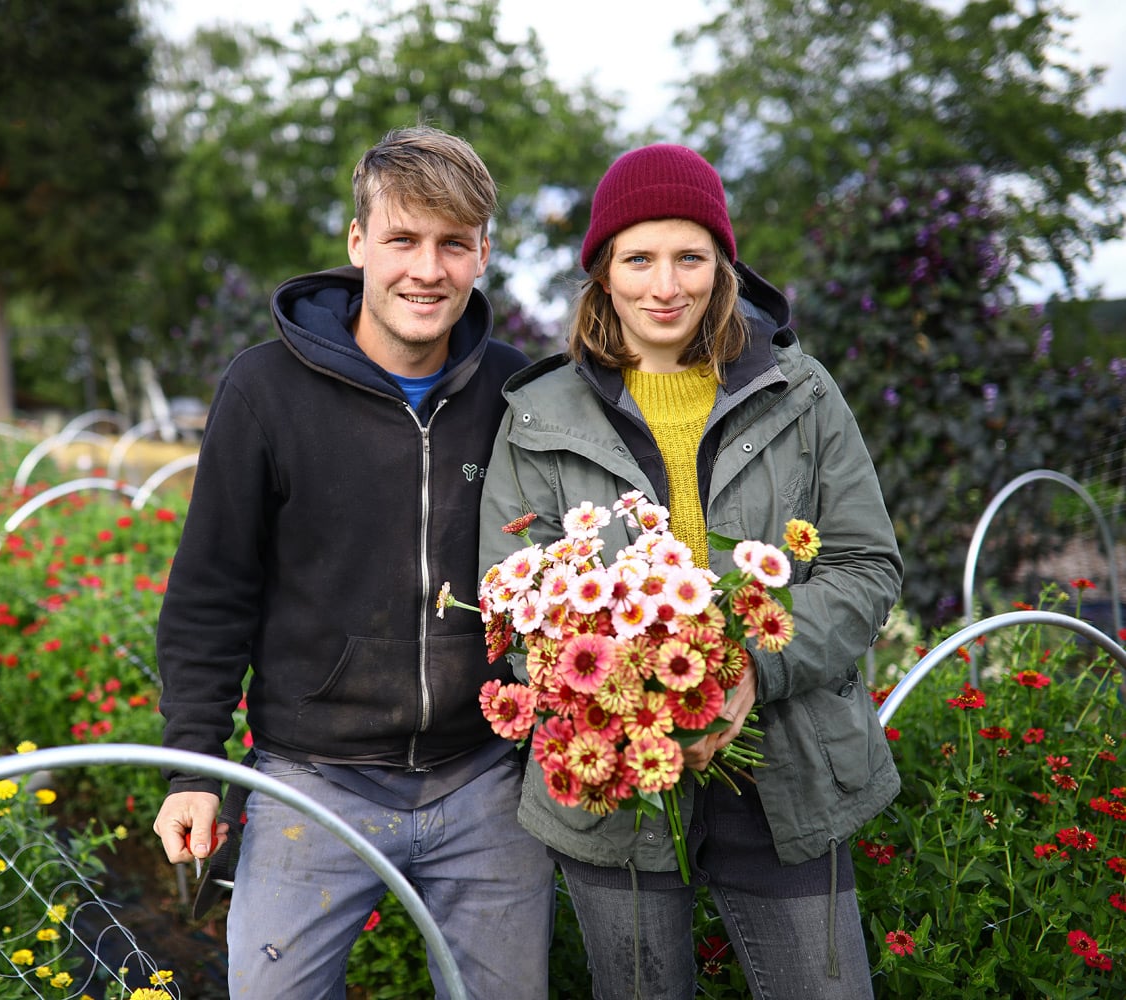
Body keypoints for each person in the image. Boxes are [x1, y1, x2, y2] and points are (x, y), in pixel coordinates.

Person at [478, 144, 903, 999]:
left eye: (690, 257)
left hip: (786, 768)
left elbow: (864, 564)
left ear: (723, 266)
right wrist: (627, 697)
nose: (664, 285)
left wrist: (754, 668)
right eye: (638, 259)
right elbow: (513, 598)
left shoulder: (801, 391)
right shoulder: (537, 414)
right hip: (614, 783)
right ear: (601, 274)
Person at [152, 124, 555, 998]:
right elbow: (212, 591)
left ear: (483, 253)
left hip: (482, 779)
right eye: (403, 239)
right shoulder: (263, 390)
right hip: (315, 780)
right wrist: (193, 768)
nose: (427, 268)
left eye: (453, 244)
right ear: (357, 244)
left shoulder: (519, 391)